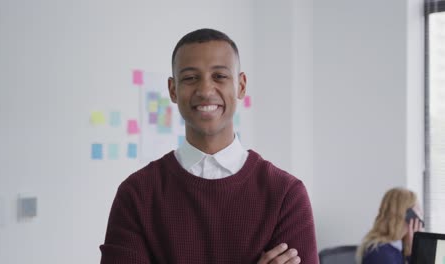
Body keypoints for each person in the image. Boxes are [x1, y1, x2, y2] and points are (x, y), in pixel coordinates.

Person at [100, 28, 318, 264]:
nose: (205, 90)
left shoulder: (285, 195)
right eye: (190, 78)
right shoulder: (137, 194)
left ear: (241, 86)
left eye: (220, 76)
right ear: (173, 90)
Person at [356, 187, 424, 264]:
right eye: (418, 209)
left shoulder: (395, 246)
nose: (421, 215)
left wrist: (411, 249)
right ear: (408, 215)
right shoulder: (382, 253)